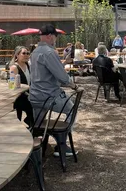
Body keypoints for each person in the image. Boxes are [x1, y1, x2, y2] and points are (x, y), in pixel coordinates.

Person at [29, 24, 77, 156]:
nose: (55, 40)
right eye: (55, 37)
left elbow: (48, 71)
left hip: (35, 96)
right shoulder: (50, 52)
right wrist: (73, 85)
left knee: (39, 125)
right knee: (72, 109)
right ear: (50, 36)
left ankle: (35, 147)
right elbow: (62, 77)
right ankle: (61, 143)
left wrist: (62, 64)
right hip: (49, 96)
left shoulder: (35, 52)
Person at [10, 46, 33, 127]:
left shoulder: (28, 65)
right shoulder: (14, 68)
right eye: (23, 53)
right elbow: (11, 85)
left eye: (28, 53)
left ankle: (32, 129)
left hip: (28, 95)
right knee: (19, 117)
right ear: (17, 55)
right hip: (19, 97)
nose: (26, 55)